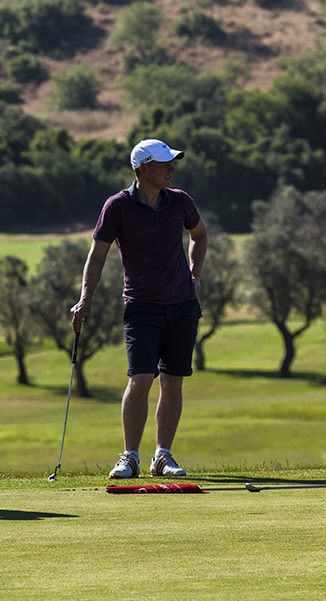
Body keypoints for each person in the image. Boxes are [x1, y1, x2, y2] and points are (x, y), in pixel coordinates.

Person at [70, 139, 208, 479]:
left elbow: (200, 235)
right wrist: (85, 298)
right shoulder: (117, 206)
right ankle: (130, 456)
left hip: (182, 306)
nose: (171, 168)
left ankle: (162, 455)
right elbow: (97, 256)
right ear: (143, 168)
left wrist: (194, 274)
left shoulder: (180, 202)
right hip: (141, 306)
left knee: (173, 382)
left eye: (172, 162)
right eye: (164, 163)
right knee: (141, 378)